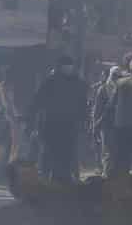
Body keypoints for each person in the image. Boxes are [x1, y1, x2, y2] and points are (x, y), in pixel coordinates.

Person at [29, 55, 89, 185]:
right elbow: (38, 101)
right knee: (51, 153)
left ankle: (61, 178)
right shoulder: (50, 82)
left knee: (65, 153)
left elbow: (83, 105)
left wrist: (84, 121)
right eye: (66, 65)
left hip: (68, 125)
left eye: (70, 65)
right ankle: (49, 178)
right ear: (60, 66)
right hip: (52, 125)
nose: (68, 68)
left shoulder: (76, 83)